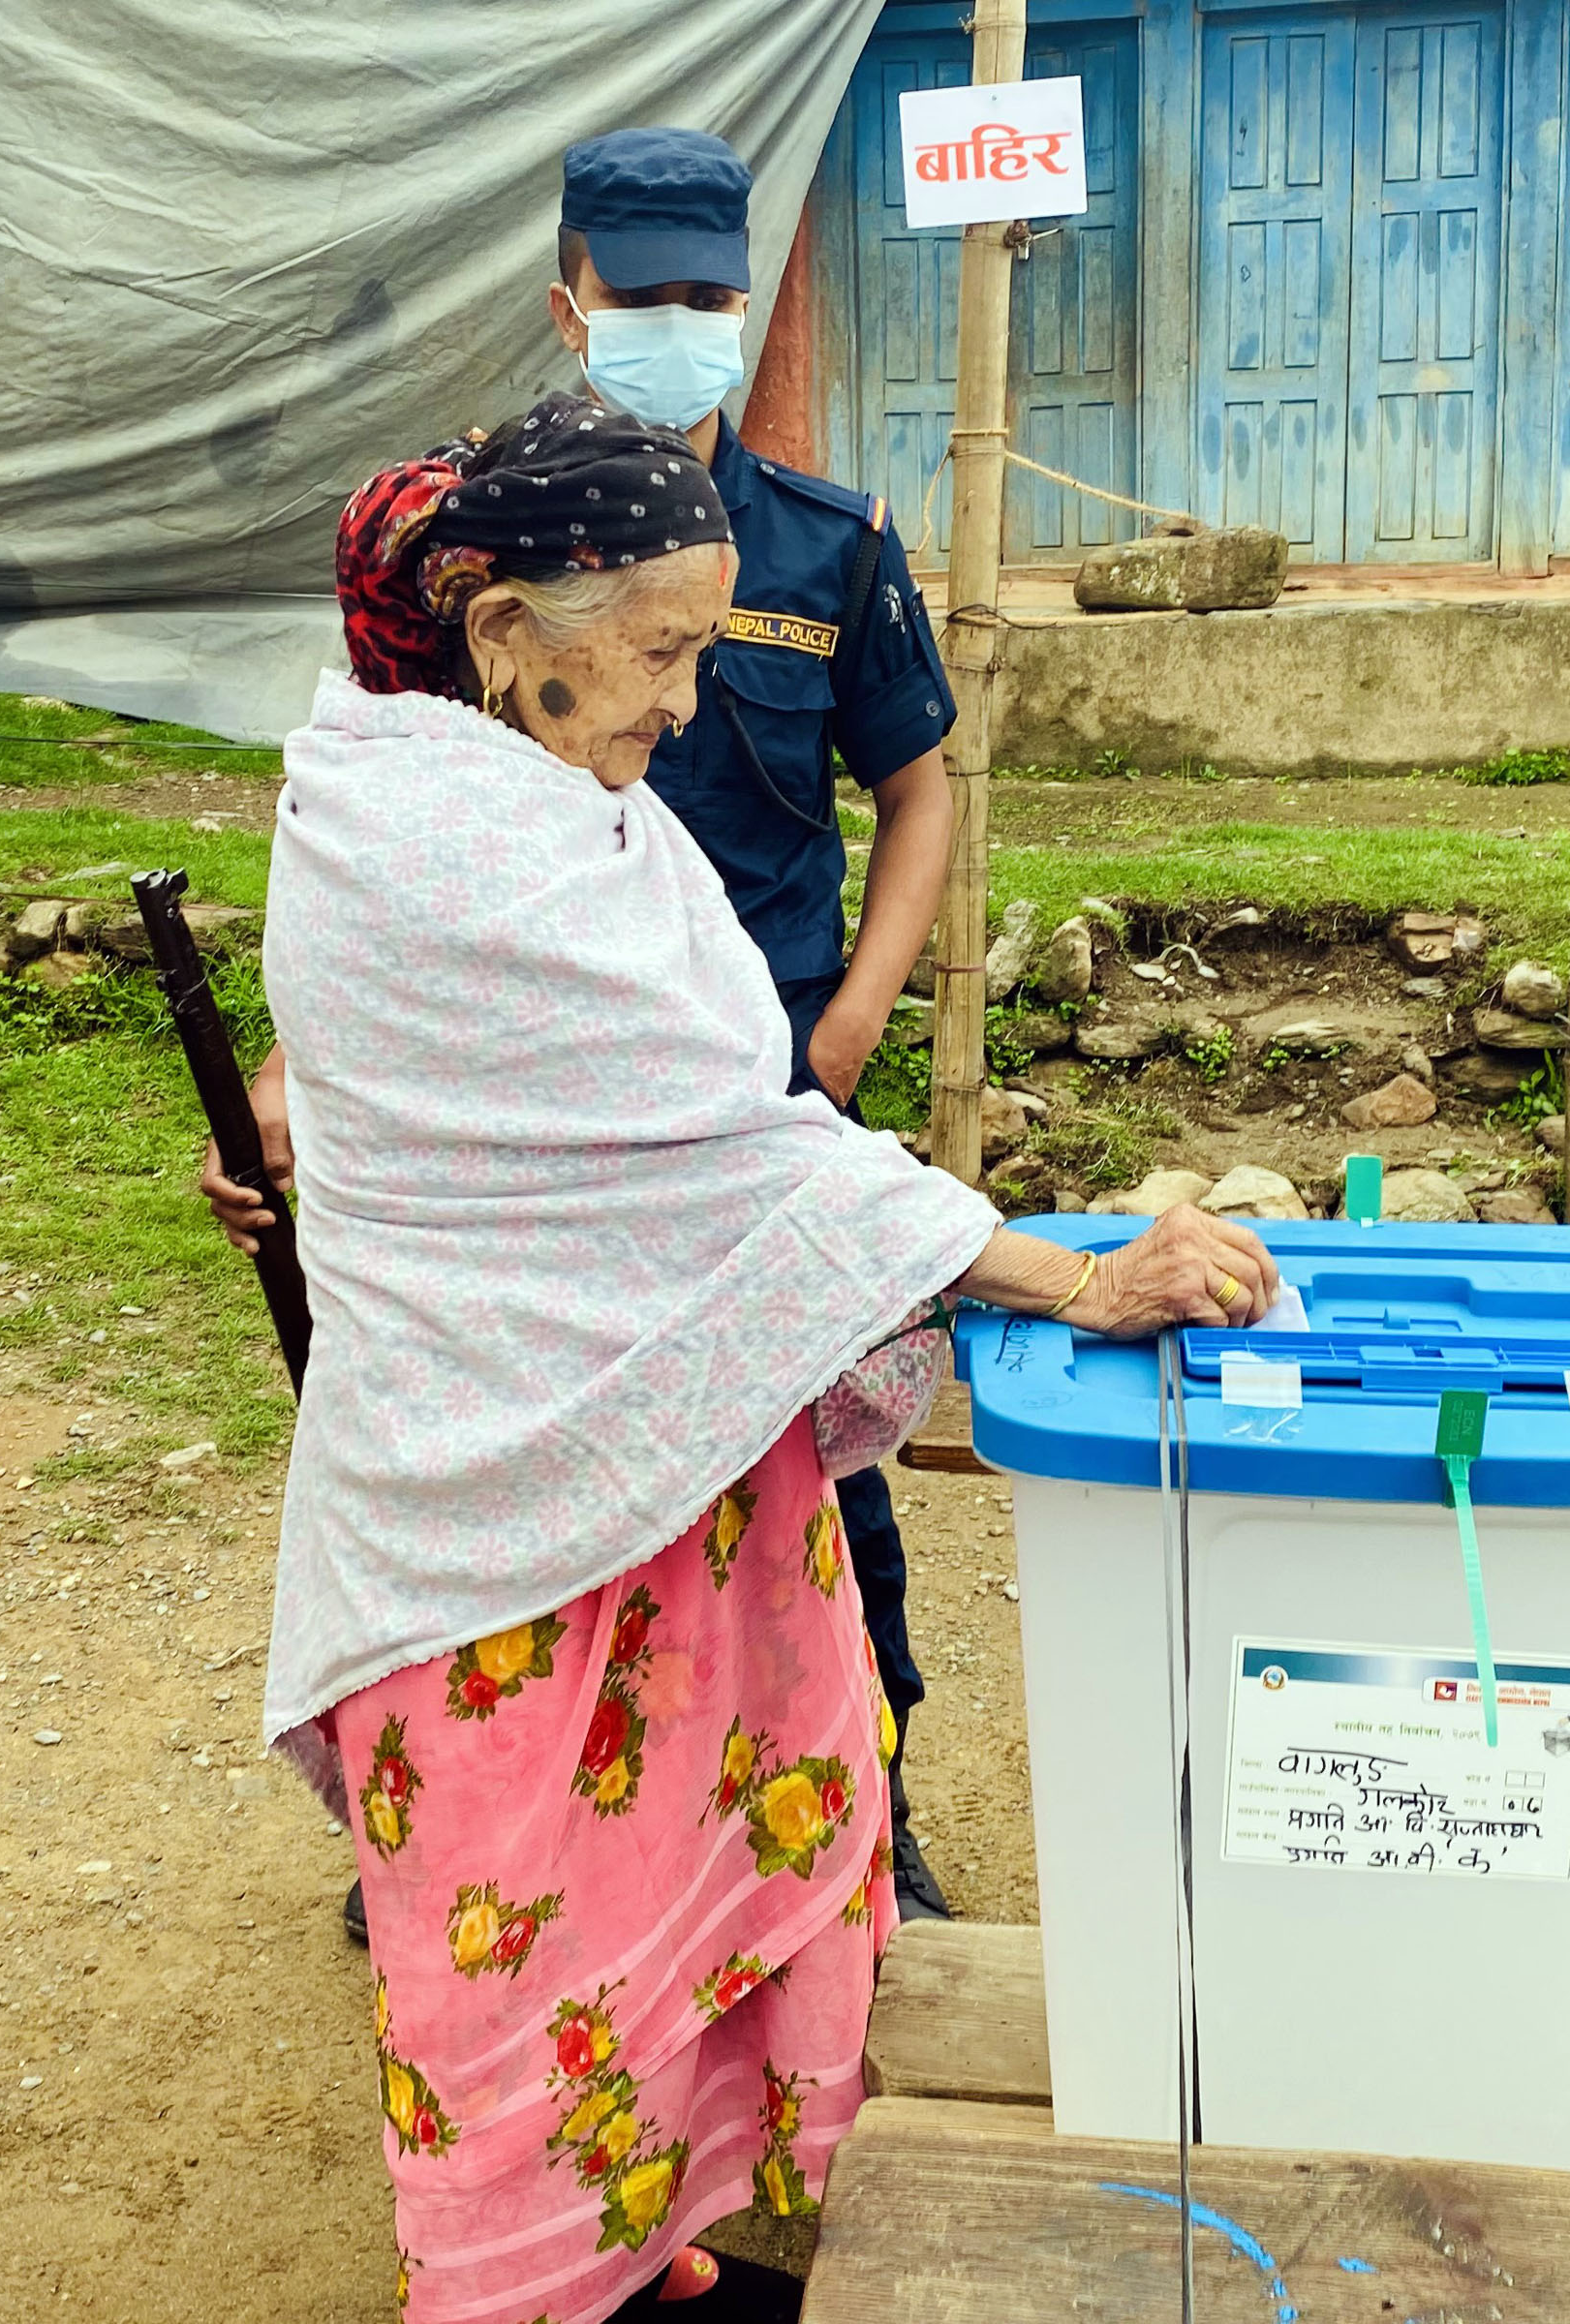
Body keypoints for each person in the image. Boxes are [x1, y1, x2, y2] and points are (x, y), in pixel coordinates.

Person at [258, 395, 1278, 2322]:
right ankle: (547, 2276)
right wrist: (1072, 1284)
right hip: (497, 1535)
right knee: (532, 1953)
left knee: (660, 1896)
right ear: (507, 639)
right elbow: (740, 1161)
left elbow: (700, 1147)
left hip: (634, 1487)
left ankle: (646, 2238)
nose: (680, 697)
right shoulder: (450, 855)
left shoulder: (546, 814)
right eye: (657, 651)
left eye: (703, 647)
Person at [211, 123, 971, 1932]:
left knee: (798, 1482)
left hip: (758, 1077)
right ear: (576, 308)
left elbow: (922, 790)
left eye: (716, 297)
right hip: (534, 1128)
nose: (682, 326)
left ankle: (867, 1793)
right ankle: (480, 1821)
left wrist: (854, 1020)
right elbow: (394, 885)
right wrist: (291, 1089)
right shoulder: (459, 552)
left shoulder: (826, 544)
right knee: (532, 1477)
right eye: (645, 297)